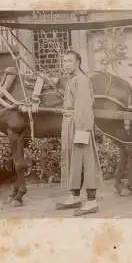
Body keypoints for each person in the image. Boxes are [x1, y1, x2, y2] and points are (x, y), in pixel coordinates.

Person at [55, 50, 104, 216]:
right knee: (75, 161)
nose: (66, 64)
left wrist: (82, 130)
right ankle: (75, 196)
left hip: (80, 125)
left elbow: (84, 107)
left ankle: (91, 201)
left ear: (77, 63)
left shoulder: (81, 80)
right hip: (72, 123)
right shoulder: (72, 79)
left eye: (69, 61)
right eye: (64, 61)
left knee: (86, 161)